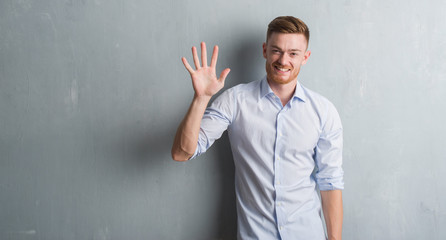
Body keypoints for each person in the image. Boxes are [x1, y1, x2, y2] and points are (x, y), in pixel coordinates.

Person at [171, 16, 344, 240]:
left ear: (305, 57)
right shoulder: (234, 101)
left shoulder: (324, 111)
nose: (283, 60)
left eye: (293, 53)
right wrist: (201, 98)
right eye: (276, 50)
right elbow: (181, 153)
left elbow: (330, 182)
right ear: (265, 50)